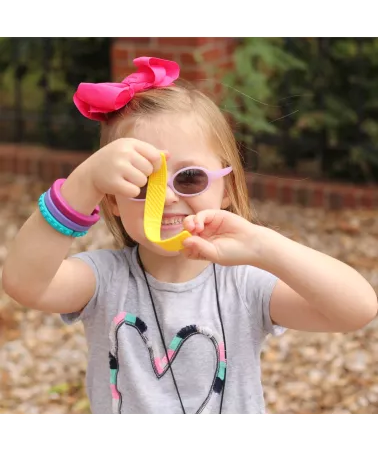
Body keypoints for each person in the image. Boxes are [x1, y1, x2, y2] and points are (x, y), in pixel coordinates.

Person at [3, 57, 377, 416]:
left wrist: (264, 245)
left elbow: (356, 309)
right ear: (112, 202)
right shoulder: (103, 280)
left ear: (226, 189)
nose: (165, 198)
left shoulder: (244, 285)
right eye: (141, 184)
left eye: (190, 178)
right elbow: (24, 284)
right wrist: (81, 185)